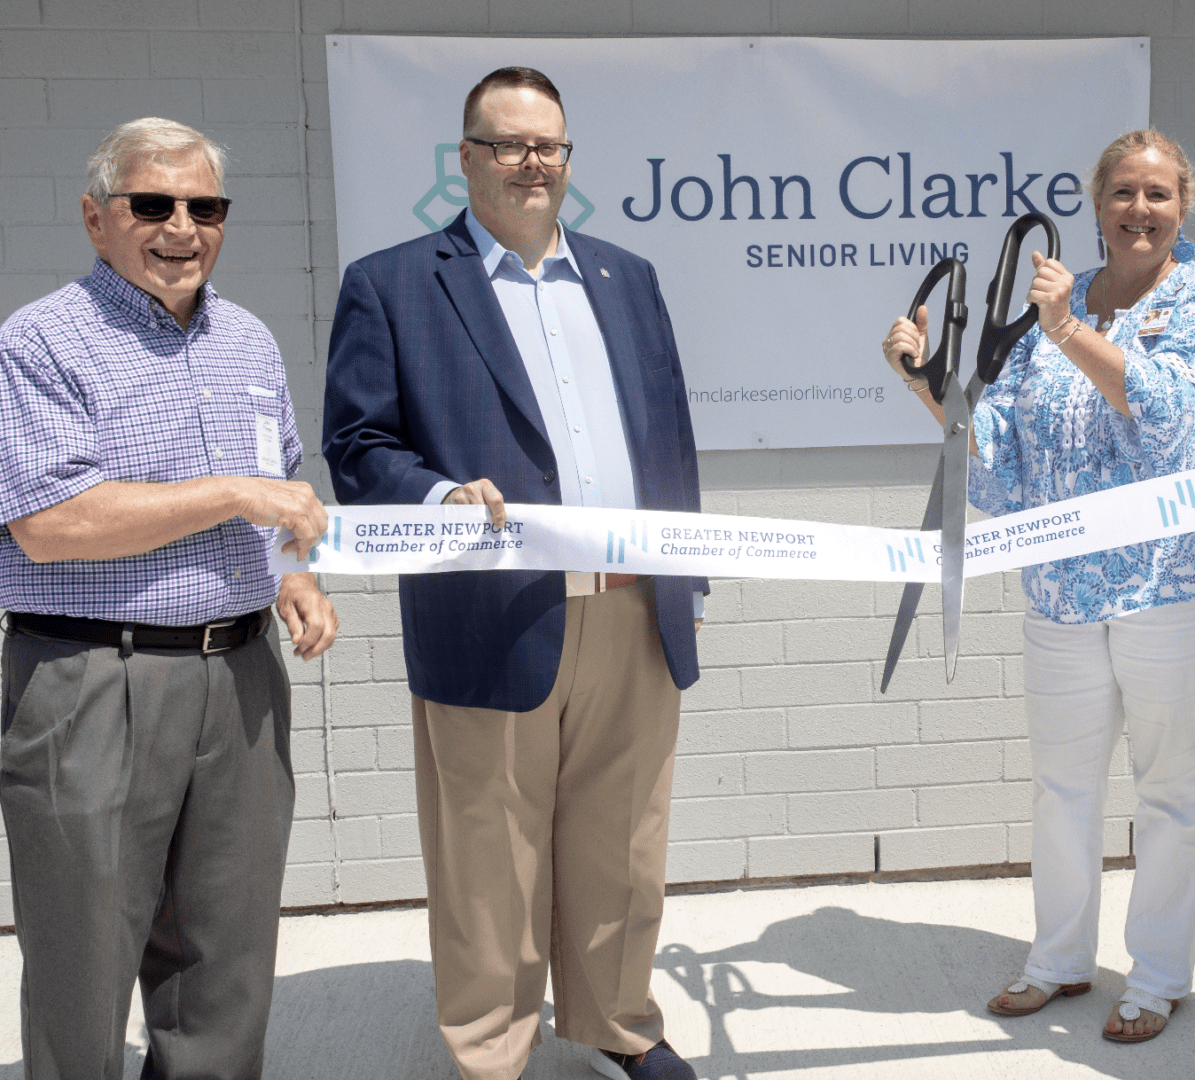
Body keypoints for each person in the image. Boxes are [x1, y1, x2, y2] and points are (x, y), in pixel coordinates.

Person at [322, 68, 705, 1080]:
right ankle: (492, 1048)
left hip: (633, 613)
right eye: (509, 145)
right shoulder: (396, 282)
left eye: (549, 146)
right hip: (491, 611)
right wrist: (436, 498)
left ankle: (621, 1024)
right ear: (468, 158)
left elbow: (667, 437)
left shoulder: (628, 276)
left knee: (624, 844)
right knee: (488, 856)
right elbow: (358, 443)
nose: (532, 163)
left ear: (567, 158)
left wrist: (687, 576)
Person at [881, 129, 1195, 1043]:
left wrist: (1069, 331)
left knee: (1169, 788)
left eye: (1158, 194)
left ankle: (1158, 977)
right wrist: (923, 380)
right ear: (1095, 205)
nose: (1139, 210)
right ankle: (1058, 961)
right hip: (1058, 592)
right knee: (1060, 786)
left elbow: (1166, 416)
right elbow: (995, 459)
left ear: (1183, 205)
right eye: (1123, 193)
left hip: (1176, 584)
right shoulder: (1041, 310)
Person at [0, 117, 337, 1080]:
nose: (180, 226)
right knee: (83, 965)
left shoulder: (248, 342)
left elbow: (279, 490)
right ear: (95, 217)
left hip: (237, 674)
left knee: (225, 962)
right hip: (89, 680)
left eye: (204, 206)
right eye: (152, 203)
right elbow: (49, 522)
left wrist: (295, 578)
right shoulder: (41, 342)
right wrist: (236, 496)